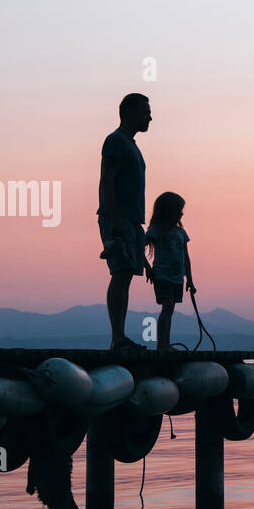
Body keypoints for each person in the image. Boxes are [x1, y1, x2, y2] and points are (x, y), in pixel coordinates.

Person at [98, 93, 152, 349]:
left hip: (132, 221)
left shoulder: (131, 145)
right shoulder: (115, 141)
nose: (149, 117)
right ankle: (117, 338)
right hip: (118, 218)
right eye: (144, 112)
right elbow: (107, 180)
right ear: (127, 113)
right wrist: (116, 220)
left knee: (127, 275)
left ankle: (119, 337)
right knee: (120, 273)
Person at [144, 191, 195, 349]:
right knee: (167, 306)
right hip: (161, 274)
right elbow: (139, 248)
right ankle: (162, 344)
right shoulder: (155, 230)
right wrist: (148, 268)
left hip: (177, 277)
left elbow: (186, 257)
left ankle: (165, 343)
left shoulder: (181, 233)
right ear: (168, 211)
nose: (181, 213)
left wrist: (190, 280)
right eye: (178, 209)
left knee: (170, 308)